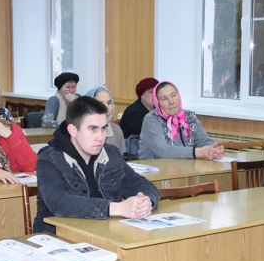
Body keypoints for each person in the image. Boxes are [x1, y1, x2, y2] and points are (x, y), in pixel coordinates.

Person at [34, 96, 160, 233]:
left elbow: (139, 183)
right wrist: (116, 208)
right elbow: (58, 203)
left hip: (105, 234)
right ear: (73, 130)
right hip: (60, 238)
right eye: (93, 129)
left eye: (104, 128)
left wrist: (147, 201)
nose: (100, 137)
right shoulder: (49, 160)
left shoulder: (111, 154)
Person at [138, 81, 224, 160]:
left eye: (173, 95)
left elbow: (204, 141)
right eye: (164, 99)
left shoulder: (189, 116)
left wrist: (214, 149)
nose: (171, 102)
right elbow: (163, 151)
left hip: (186, 168)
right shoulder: (151, 119)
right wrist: (200, 152)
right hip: (156, 171)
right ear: (157, 103)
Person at [86, 86, 126, 154]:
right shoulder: (84, 131)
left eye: (109, 103)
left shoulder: (116, 130)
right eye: (101, 104)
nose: (106, 108)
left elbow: (123, 160)